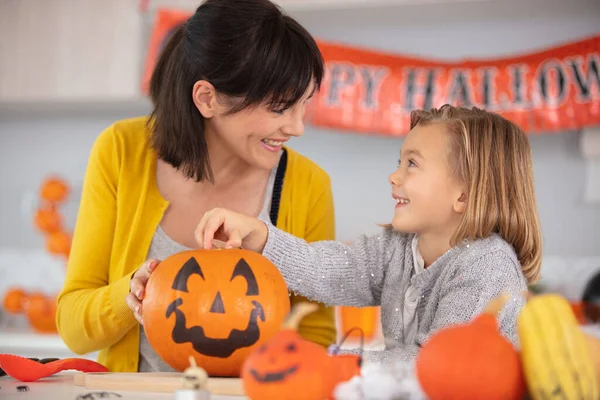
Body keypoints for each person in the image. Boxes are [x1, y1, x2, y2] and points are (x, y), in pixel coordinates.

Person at [56, 0, 337, 372]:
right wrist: (130, 295)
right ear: (208, 98)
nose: (297, 127)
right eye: (280, 108)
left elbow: (316, 338)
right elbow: (73, 328)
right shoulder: (121, 152)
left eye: (304, 105)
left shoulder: (308, 184)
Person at [195, 105, 543, 363]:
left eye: (412, 163)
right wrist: (262, 237)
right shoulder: (397, 248)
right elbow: (327, 270)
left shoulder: (486, 267)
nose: (394, 176)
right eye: (399, 162)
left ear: (463, 195)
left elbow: (434, 364)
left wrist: (333, 362)